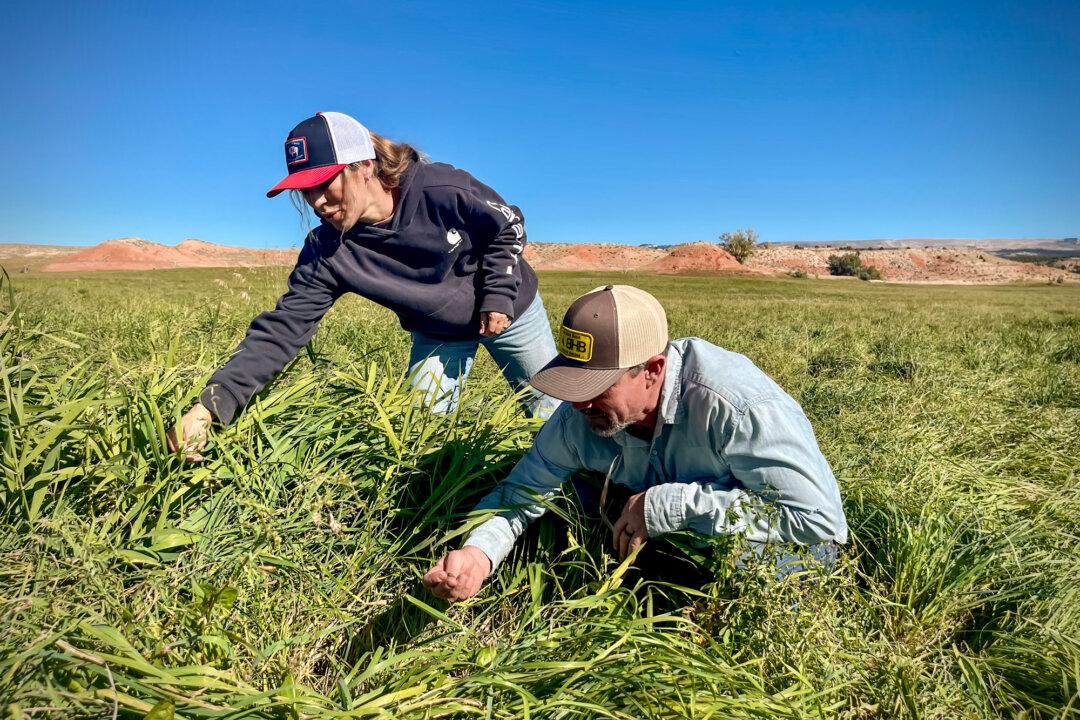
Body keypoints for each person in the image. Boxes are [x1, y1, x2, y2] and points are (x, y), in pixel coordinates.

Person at [168, 111, 560, 459]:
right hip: (438, 332)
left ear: (364, 165)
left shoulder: (439, 188)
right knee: (420, 436)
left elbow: (508, 224)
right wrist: (210, 405)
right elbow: (283, 330)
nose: (317, 201)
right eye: (305, 189)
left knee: (553, 413)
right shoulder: (327, 252)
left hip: (513, 313)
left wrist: (499, 296)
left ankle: (579, 501)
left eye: (324, 182)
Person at [424, 285, 848, 602]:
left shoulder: (736, 406)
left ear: (652, 370)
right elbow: (521, 492)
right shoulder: (579, 416)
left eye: (596, 385)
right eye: (572, 383)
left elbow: (817, 520)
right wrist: (478, 554)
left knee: (766, 581)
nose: (578, 401)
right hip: (659, 521)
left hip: (782, 543)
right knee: (575, 505)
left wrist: (671, 506)